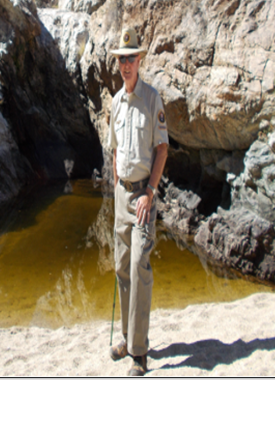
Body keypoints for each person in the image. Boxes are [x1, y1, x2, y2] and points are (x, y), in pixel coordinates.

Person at [108, 27, 168, 376]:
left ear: (139, 60)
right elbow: (115, 144)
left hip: (144, 195)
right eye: (121, 59)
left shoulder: (151, 98)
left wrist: (150, 191)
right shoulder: (116, 102)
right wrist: (118, 179)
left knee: (139, 269)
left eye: (130, 58)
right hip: (121, 196)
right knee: (121, 266)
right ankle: (127, 338)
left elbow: (162, 148)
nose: (126, 64)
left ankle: (139, 353)